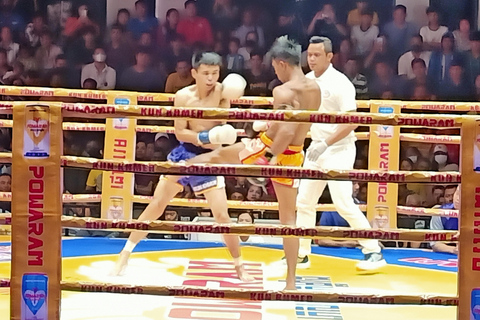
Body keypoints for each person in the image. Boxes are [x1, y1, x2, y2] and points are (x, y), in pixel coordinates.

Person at [180, 36, 321, 290]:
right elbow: (295, 125)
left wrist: (268, 158)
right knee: (288, 219)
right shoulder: (314, 89)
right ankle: (291, 283)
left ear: (281, 63)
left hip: (271, 148)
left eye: (275, 67)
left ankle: (174, 171)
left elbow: (287, 130)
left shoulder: (283, 91)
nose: (275, 72)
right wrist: (269, 125)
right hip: (294, 155)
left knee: (215, 157)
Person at [113, 52, 252, 281]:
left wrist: (214, 135)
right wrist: (204, 136)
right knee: (156, 205)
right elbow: (180, 131)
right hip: (184, 154)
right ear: (195, 73)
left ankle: (239, 266)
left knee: (222, 216)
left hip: (209, 158)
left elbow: (223, 130)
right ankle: (124, 254)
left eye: (215, 73)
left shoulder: (222, 93)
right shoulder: (182, 96)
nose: (210, 78)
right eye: (206, 73)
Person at [296, 36, 386, 272]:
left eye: (317, 55)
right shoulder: (306, 81)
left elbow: (352, 120)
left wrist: (326, 142)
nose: (312, 59)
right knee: (304, 201)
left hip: (338, 149)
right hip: (315, 148)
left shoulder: (340, 82)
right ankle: (301, 254)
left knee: (344, 202)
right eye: (309, 54)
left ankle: (373, 250)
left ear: (329, 56)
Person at [429, 185, 459, 255]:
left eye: (461, 194)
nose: (457, 198)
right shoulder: (440, 212)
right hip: (448, 254)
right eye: (457, 194)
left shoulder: (476, 214)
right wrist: (454, 250)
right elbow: (435, 243)